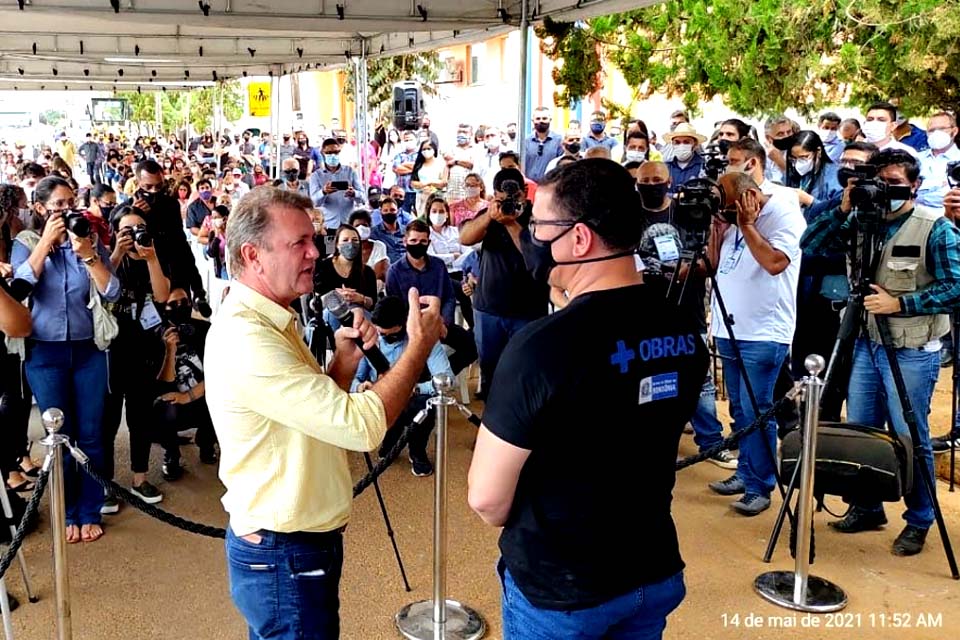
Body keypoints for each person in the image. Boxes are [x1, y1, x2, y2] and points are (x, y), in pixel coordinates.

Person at [468, 159, 707, 638]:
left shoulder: (541, 347)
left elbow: (487, 499)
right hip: (652, 566)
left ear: (579, 240)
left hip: (563, 589)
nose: (533, 240)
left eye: (539, 229)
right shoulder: (683, 326)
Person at [205, 187, 442, 639]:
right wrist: (419, 347)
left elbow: (308, 417)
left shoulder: (273, 318)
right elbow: (364, 426)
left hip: (293, 543)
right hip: (283, 549)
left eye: (314, 238)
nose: (317, 251)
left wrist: (344, 362)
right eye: (300, 243)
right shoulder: (248, 339)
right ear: (253, 254)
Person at [802, 149, 960, 556]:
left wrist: (901, 304)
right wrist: (844, 206)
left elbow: (956, 286)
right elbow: (811, 243)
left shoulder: (934, 227)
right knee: (861, 430)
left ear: (915, 186)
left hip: (911, 348)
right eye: (880, 182)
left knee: (909, 435)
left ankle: (920, 518)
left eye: (894, 184)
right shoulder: (860, 219)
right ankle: (867, 505)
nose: (885, 191)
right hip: (865, 342)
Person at [12, 176, 120, 543]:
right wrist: (46, 243)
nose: (67, 211)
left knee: (90, 433)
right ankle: (66, 509)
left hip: (88, 349)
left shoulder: (88, 239)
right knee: (58, 435)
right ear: (40, 208)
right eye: (58, 205)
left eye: (72, 202)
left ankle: (89, 508)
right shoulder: (25, 244)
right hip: (44, 351)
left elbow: (113, 290)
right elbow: (18, 288)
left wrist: (87, 252)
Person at [705, 172, 805, 516]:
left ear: (747, 197)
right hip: (730, 329)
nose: (721, 206)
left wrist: (747, 225)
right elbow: (713, 266)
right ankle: (746, 473)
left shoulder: (783, 215)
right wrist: (718, 229)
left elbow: (775, 263)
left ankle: (760, 485)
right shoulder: (732, 220)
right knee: (739, 409)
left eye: (725, 199)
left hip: (763, 333)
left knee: (756, 410)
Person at [101, 205, 172, 511]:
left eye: (138, 228)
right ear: (115, 232)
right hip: (111, 349)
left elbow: (162, 296)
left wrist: (152, 257)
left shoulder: (152, 256)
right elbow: (100, 290)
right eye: (126, 230)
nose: (133, 236)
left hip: (144, 348)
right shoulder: (105, 256)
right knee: (107, 418)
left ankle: (139, 478)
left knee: (140, 417)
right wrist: (116, 253)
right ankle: (105, 484)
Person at [459, 169, 549, 398]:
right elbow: (465, 238)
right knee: (490, 371)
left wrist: (511, 224)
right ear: (494, 195)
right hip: (489, 309)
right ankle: (491, 424)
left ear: (525, 192)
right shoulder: (490, 214)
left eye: (515, 197)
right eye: (502, 198)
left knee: (525, 371)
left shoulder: (539, 216)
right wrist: (491, 214)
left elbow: (537, 258)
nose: (509, 202)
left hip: (528, 310)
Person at [353, 295, 453, 476]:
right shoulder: (371, 338)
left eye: (387, 335)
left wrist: (414, 389)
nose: (381, 338)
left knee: (425, 404)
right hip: (379, 400)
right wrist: (361, 387)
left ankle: (417, 452)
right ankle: (390, 438)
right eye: (379, 332)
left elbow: (447, 380)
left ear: (402, 325)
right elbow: (355, 380)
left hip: (414, 398)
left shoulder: (423, 336)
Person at [386, 218, 477, 375]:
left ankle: (437, 378)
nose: (418, 244)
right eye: (413, 240)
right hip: (410, 329)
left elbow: (448, 297)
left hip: (440, 324)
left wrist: (443, 322)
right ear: (405, 241)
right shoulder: (394, 272)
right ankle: (426, 380)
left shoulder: (438, 266)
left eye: (423, 241)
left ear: (429, 242)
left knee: (475, 345)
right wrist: (417, 327)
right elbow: (395, 308)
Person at [154, 288, 218, 470]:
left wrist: (188, 395)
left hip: (202, 397)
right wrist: (170, 352)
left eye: (184, 302)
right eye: (172, 305)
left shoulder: (204, 330)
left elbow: (218, 373)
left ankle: (206, 443)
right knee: (163, 405)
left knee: (223, 393)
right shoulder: (157, 336)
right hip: (174, 405)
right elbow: (161, 387)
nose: (180, 308)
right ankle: (171, 453)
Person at [314, 224, 378, 331]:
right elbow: (314, 303)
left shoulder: (367, 272)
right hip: (329, 316)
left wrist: (360, 298)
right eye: (345, 240)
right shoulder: (322, 268)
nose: (350, 244)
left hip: (360, 315)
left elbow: (373, 304)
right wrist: (335, 298)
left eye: (354, 240)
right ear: (337, 244)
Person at [309, 138, 365, 230]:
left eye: (336, 152)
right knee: (330, 244)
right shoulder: (316, 176)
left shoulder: (350, 172)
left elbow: (363, 198)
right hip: (328, 225)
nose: (333, 155)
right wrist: (323, 192)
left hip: (348, 223)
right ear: (323, 153)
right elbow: (314, 202)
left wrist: (354, 193)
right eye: (329, 153)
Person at [917, 111, 960, 211]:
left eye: (942, 129)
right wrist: (941, 185)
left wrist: (922, 190)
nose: (936, 133)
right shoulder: (916, 158)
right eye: (931, 130)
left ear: (954, 131)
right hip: (918, 219)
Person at [522, 107, 564, 182]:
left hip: (550, 185)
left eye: (544, 118)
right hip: (529, 185)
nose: (541, 121)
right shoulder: (526, 142)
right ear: (533, 120)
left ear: (550, 119)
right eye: (538, 118)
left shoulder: (559, 141)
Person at [662, 123, 705, 195]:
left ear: (695, 144)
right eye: (677, 142)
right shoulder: (666, 167)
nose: (681, 145)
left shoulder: (703, 166)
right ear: (672, 144)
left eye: (686, 142)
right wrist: (675, 197)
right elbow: (660, 194)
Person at [348, 209, 389, 283]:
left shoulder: (379, 246)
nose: (361, 228)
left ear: (370, 227)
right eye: (357, 226)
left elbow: (379, 276)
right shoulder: (346, 248)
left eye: (364, 225)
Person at [410, 139, 448, 216]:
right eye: (424, 149)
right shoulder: (419, 164)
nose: (426, 151)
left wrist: (429, 183)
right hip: (421, 197)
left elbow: (443, 182)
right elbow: (413, 182)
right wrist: (423, 186)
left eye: (428, 148)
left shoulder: (442, 164)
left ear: (434, 149)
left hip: (437, 197)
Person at [370, 196, 407, 264]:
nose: (389, 212)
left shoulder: (408, 231)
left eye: (392, 210)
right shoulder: (374, 233)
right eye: (385, 210)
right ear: (381, 212)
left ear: (398, 212)